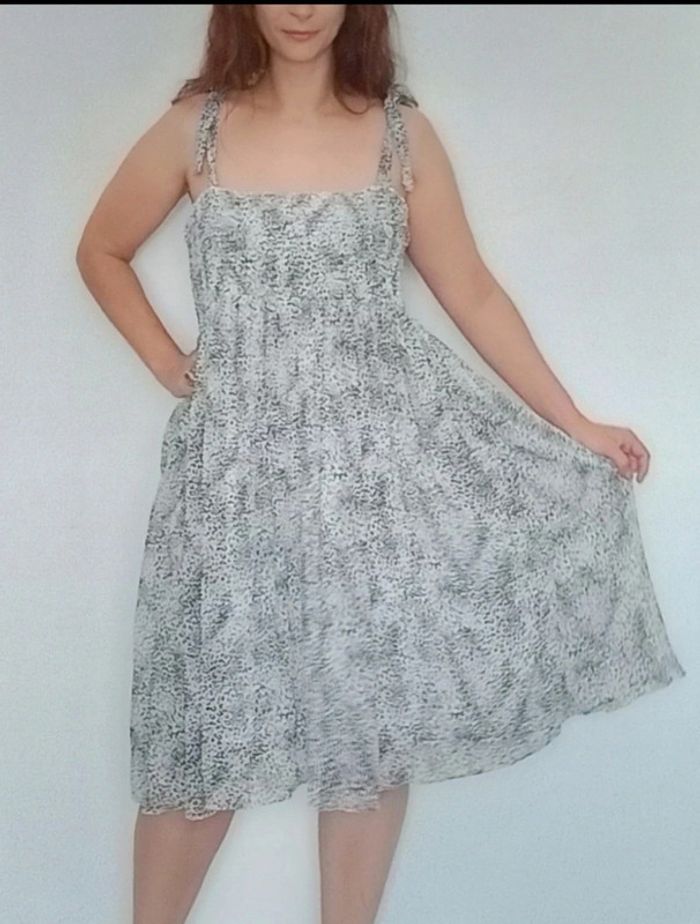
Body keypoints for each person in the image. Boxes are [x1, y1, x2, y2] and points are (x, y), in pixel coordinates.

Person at [75, 5, 686, 924]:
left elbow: (472, 292)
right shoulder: (193, 129)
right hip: (232, 482)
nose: (301, 8)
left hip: (373, 480)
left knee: (364, 729)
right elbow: (101, 250)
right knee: (200, 732)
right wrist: (170, 363)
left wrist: (574, 422)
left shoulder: (402, 136)